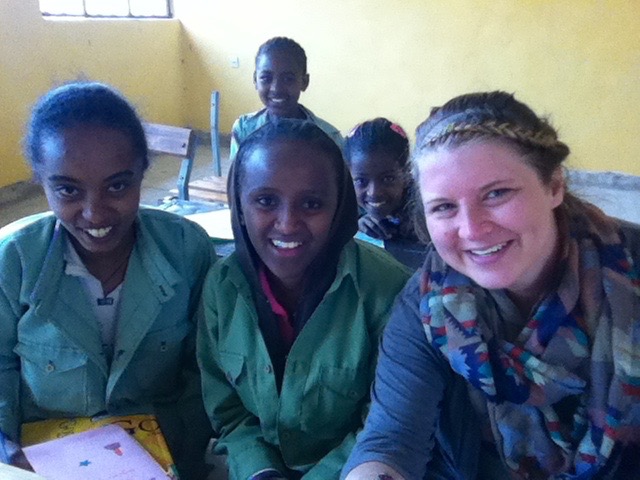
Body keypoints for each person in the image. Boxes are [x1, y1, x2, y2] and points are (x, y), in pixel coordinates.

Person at [342, 91, 640, 479]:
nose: (471, 230)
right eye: (444, 207)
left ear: (554, 185)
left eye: (497, 194)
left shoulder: (628, 272)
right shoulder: (429, 306)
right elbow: (392, 440)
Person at [0, 82, 215, 479]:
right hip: (43, 459)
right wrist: (6, 448)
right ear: (40, 181)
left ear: (143, 172)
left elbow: (205, 368)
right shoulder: (15, 262)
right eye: (68, 190)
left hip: (163, 455)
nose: (95, 213)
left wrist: (180, 450)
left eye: (117, 185)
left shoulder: (187, 251)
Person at [197, 119, 410, 480]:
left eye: (312, 204)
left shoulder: (388, 291)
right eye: (266, 201)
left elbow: (385, 425)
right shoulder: (222, 286)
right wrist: (260, 470)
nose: (287, 223)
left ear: (339, 207)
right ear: (239, 207)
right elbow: (228, 411)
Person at [228, 36, 343, 161]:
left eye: (288, 79)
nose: (276, 89)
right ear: (255, 80)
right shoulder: (244, 129)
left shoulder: (330, 137)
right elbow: (236, 172)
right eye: (266, 78)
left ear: (304, 82)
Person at [344, 118, 427, 269]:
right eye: (361, 181)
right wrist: (360, 225)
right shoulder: (346, 206)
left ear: (407, 172)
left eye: (387, 179)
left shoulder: (426, 211)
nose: (374, 192)